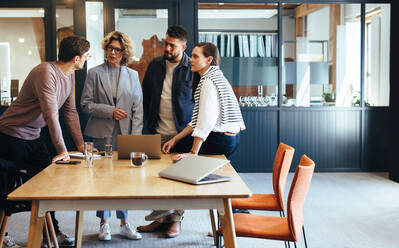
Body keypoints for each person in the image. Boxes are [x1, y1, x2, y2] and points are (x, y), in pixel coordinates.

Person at [0, 35, 91, 247]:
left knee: (46, 188)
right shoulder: (45, 72)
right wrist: (62, 150)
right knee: (5, 189)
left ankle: (51, 233)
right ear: (77, 58)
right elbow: (51, 114)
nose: (87, 59)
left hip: (33, 136)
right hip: (10, 135)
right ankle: (2, 235)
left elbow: (70, 112)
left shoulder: (69, 76)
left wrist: (79, 146)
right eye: (86, 56)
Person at [80, 31, 143, 241]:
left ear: (124, 52)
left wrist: (135, 139)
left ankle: (125, 223)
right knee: (103, 179)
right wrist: (110, 111)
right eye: (109, 48)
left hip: (125, 135)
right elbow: (85, 104)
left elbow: (138, 111)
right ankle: (104, 223)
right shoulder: (94, 73)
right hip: (100, 134)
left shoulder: (132, 75)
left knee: (125, 179)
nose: (112, 53)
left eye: (117, 49)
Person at [137, 25, 194, 238]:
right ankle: (159, 219)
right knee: (156, 178)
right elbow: (147, 96)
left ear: (183, 47)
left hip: (182, 132)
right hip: (157, 130)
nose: (167, 48)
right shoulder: (154, 65)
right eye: (166, 43)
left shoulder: (192, 67)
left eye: (172, 45)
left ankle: (176, 221)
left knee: (179, 179)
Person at [163, 42, 245, 163]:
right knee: (177, 142)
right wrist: (175, 139)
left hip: (221, 141)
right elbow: (196, 120)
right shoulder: (217, 76)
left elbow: (205, 121)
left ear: (209, 60)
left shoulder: (208, 82)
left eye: (196, 56)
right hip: (232, 139)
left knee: (176, 149)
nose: (191, 59)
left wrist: (193, 153)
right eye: (191, 56)